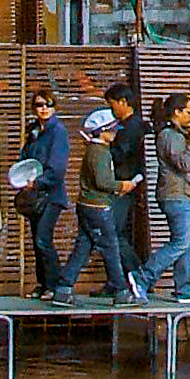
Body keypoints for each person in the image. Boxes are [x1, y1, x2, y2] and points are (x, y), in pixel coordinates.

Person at [54, 115, 145, 302]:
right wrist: (122, 186)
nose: (114, 133)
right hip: (98, 207)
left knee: (83, 246)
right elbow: (103, 181)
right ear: (102, 131)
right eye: (111, 129)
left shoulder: (96, 150)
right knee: (110, 247)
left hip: (88, 205)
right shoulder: (100, 152)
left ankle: (63, 288)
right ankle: (121, 291)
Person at [141, 94, 190, 303]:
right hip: (175, 196)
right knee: (181, 242)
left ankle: (184, 287)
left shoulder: (178, 135)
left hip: (184, 195)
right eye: (188, 111)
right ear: (176, 112)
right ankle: (143, 276)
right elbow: (185, 165)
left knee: (187, 243)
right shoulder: (169, 135)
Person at [14, 90, 68, 300]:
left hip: (52, 195)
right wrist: (21, 177)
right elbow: (25, 158)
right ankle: (43, 283)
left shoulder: (58, 131)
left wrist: (39, 181)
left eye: (48, 104)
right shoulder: (34, 131)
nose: (44, 109)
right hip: (34, 194)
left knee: (43, 239)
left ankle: (54, 284)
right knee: (37, 239)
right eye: (39, 105)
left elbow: (58, 167)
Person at [106, 79, 149, 269]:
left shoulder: (131, 127)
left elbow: (122, 155)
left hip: (124, 185)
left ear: (123, 101)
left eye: (112, 104)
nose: (111, 109)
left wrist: (105, 144)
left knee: (114, 232)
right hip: (123, 184)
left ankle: (135, 273)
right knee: (115, 232)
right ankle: (120, 279)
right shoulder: (127, 125)